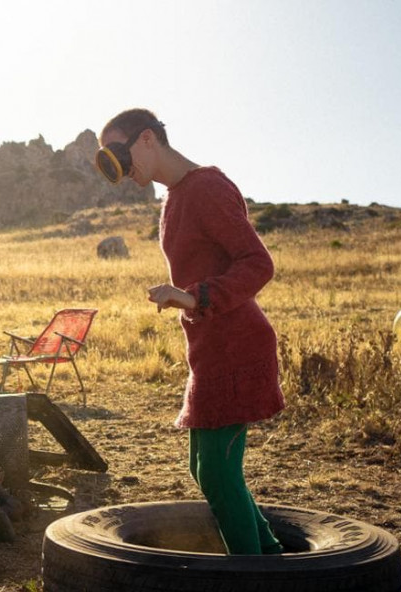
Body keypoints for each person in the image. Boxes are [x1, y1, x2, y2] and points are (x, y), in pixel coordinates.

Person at [96, 108, 284, 555]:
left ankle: (256, 586)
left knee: (220, 474)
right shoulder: (174, 197)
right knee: (204, 469)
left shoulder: (205, 187)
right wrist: (189, 298)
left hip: (238, 346)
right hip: (209, 349)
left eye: (119, 154)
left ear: (147, 139)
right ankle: (273, 560)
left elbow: (259, 264)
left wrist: (193, 296)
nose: (121, 171)